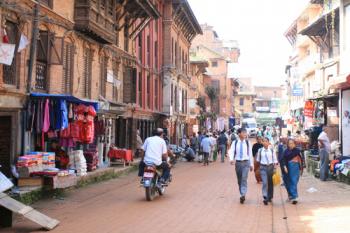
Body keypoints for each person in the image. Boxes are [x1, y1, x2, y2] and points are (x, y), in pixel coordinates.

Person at [229, 128, 254, 204]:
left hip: (246, 163)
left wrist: (251, 164)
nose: (245, 134)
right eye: (243, 132)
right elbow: (231, 151)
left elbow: (250, 154)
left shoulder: (247, 143)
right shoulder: (235, 142)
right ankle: (242, 193)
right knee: (239, 180)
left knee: (244, 178)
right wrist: (231, 159)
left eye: (245, 133)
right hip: (238, 163)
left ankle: (243, 194)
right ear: (239, 134)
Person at [256, 137, 278, 205]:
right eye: (264, 141)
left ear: (269, 143)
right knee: (265, 182)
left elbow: (275, 159)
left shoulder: (271, 150)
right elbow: (258, 160)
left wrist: (275, 168)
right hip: (263, 167)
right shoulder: (260, 150)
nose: (265, 142)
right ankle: (265, 196)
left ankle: (270, 196)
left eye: (266, 141)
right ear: (262, 142)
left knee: (270, 183)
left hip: (270, 167)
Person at [281, 139, 303, 204]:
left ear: (294, 144)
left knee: (294, 181)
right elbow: (283, 160)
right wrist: (284, 166)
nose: (291, 145)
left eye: (292, 143)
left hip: (295, 168)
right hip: (287, 168)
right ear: (287, 144)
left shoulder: (297, 151)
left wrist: (301, 169)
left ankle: (294, 197)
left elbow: (301, 161)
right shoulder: (286, 152)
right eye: (289, 143)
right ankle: (290, 195)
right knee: (287, 182)